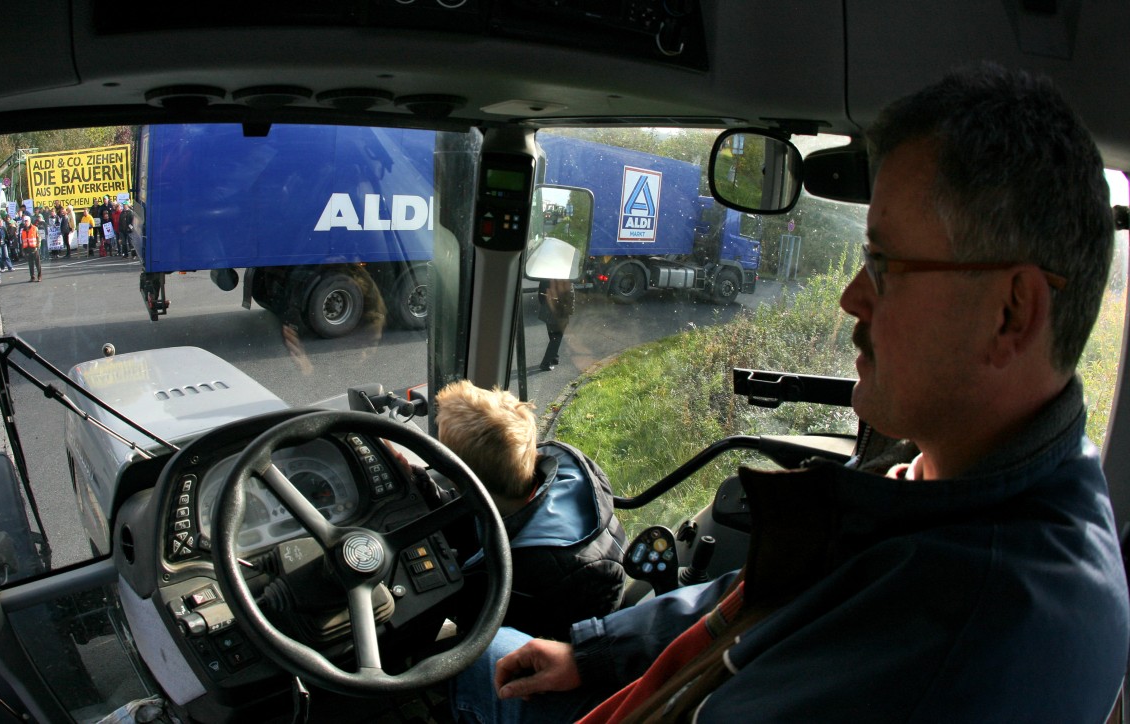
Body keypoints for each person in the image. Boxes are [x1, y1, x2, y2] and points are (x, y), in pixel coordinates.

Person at [452, 64, 1130, 723]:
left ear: (1012, 313)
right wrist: (597, 651)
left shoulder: (961, 638)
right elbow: (770, 597)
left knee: (468, 663)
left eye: (886, 265)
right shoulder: (959, 483)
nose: (850, 297)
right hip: (670, 684)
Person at [431, 380, 626, 640]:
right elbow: (477, 518)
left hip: (533, 645)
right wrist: (421, 486)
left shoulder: (528, 570)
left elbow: (471, 616)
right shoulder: (556, 481)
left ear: (465, 481)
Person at [536, 279, 574, 371]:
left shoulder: (546, 277)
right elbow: (570, 297)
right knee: (557, 338)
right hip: (560, 311)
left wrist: (545, 306)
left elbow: (540, 295)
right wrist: (570, 311)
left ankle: (554, 357)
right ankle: (545, 363)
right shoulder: (566, 278)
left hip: (547, 311)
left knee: (552, 334)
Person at [20, 214, 41, 282]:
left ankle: (39, 276)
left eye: (27, 221)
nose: (25, 223)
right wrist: (23, 250)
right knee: (30, 264)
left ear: (29, 221)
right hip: (27, 249)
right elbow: (22, 241)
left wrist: (37, 247)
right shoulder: (22, 230)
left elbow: (38, 238)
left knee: (37, 263)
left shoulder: (35, 228)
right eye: (24, 221)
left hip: (34, 248)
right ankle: (32, 277)